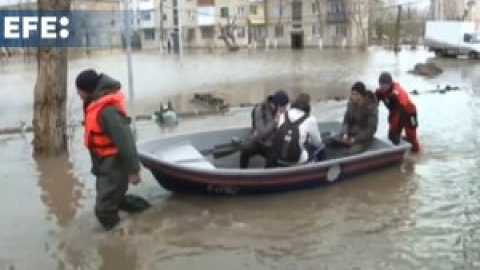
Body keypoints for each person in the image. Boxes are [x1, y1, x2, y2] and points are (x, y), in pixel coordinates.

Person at [76, 69, 150, 231]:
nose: (78, 94)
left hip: (114, 165)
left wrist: (133, 170)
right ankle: (148, 213)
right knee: (115, 200)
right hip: (104, 165)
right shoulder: (94, 104)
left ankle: (120, 239)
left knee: (103, 210)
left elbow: (126, 142)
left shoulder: (107, 111)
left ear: (87, 90)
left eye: (79, 91)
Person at [240, 90, 289, 169]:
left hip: (272, 143)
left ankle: (268, 177)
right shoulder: (260, 109)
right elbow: (261, 132)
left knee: (274, 157)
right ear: (276, 105)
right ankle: (242, 172)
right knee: (246, 150)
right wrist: (275, 121)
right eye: (283, 107)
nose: (284, 109)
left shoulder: (281, 112)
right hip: (258, 141)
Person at [274, 93, 325, 166]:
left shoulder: (283, 115)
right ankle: (323, 168)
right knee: (321, 147)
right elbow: (317, 142)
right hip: (296, 160)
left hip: (279, 158)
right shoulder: (310, 119)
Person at [375, 72, 421, 153]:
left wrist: (398, 131)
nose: (383, 88)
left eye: (385, 86)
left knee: (412, 136)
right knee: (391, 136)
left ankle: (416, 153)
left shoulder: (398, 91)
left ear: (390, 83)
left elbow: (402, 112)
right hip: (395, 113)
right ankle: (402, 149)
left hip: (409, 113)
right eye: (381, 85)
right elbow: (372, 104)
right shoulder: (379, 92)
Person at [328, 82, 378, 154]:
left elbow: (371, 129)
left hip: (363, 138)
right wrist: (345, 134)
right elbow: (346, 121)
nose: (353, 96)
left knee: (350, 152)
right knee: (330, 141)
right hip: (350, 133)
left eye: (356, 94)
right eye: (352, 94)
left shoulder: (371, 106)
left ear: (362, 95)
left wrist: (355, 139)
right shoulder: (351, 104)